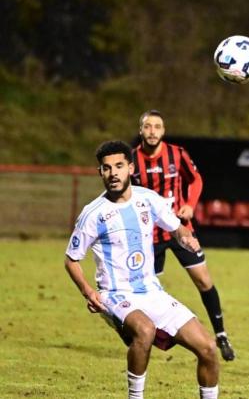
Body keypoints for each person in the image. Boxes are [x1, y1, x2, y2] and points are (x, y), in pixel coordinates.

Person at [64, 140, 220, 399]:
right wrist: (87, 291)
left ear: (130, 168)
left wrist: (185, 238)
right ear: (100, 173)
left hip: (152, 291)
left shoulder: (148, 199)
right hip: (116, 293)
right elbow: (71, 259)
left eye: (118, 166)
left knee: (208, 348)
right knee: (145, 330)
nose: (113, 173)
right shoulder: (93, 214)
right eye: (106, 168)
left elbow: (175, 227)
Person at [132, 110, 234, 361]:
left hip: (180, 229)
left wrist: (190, 203)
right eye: (148, 126)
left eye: (157, 126)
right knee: (147, 290)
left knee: (203, 280)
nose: (152, 131)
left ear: (163, 131)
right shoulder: (132, 159)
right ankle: (147, 335)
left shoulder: (177, 154)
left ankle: (220, 334)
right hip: (149, 235)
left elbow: (196, 179)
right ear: (141, 130)